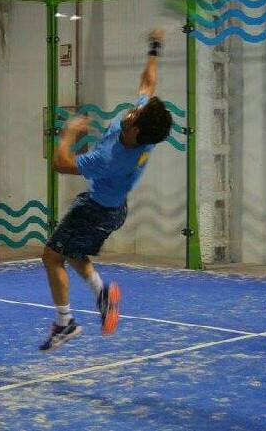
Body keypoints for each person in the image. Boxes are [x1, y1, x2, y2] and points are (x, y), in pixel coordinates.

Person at [39, 28, 173, 351]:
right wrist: (154, 47)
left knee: (52, 256)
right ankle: (102, 293)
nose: (132, 112)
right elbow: (148, 84)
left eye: (135, 116)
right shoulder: (141, 127)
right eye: (137, 109)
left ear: (137, 131)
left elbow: (60, 164)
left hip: (97, 208)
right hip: (114, 208)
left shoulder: (110, 159)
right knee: (72, 249)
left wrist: (70, 132)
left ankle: (65, 323)